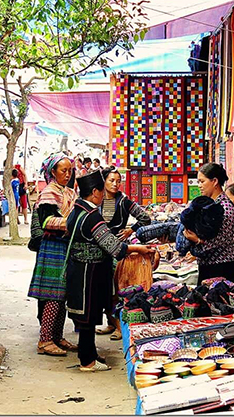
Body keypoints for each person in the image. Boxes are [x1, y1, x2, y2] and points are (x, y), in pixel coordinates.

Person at [65, 170, 154, 372]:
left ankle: (89, 353)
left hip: (79, 269)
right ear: (95, 191)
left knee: (88, 315)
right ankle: (87, 361)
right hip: (89, 272)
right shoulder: (91, 216)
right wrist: (137, 248)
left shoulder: (76, 209)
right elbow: (114, 247)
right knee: (88, 317)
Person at [28, 154, 78, 356]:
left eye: (69, 170)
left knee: (62, 294)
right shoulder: (49, 193)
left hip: (64, 245)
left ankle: (56, 336)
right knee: (53, 294)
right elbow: (46, 221)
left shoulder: (67, 191)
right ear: (52, 172)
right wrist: (72, 223)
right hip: (53, 247)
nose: (67, 174)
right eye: (63, 170)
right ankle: (45, 340)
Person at [96, 167, 152, 340]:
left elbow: (145, 217)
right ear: (103, 182)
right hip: (100, 248)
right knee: (105, 287)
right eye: (111, 180)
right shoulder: (97, 200)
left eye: (118, 181)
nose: (115, 184)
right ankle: (111, 322)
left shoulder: (124, 201)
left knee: (117, 288)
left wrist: (130, 230)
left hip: (118, 249)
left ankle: (120, 327)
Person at [182, 163, 234, 284]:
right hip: (210, 264)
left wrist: (197, 240)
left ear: (215, 181)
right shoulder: (210, 205)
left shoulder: (225, 207)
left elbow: (222, 238)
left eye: (202, 181)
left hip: (221, 266)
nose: (199, 186)